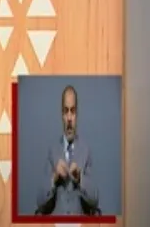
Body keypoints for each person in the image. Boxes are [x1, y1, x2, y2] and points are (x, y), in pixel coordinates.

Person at [36, 85, 100, 215]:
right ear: (62, 115)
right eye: (66, 111)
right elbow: (39, 201)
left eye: (73, 111)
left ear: (77, 115)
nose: (69, 118)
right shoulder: (52, 150)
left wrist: (80, 178)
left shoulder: (86, 150)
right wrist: (54, 177)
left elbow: (95, 198)